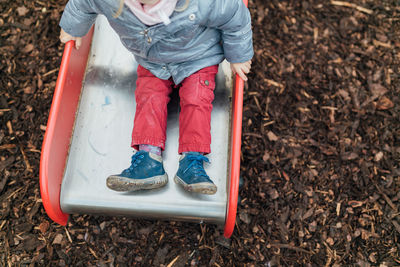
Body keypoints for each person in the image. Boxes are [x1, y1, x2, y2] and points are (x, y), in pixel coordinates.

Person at [59, 0, 253, 195]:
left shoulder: (201, 3)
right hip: (153, 62)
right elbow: (82, 3)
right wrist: (73, 27)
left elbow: (235, 16)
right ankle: (148, 159)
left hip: (198, 59)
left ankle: (192, 161)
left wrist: (239, 56)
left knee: (196, 99)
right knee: (149, 97)